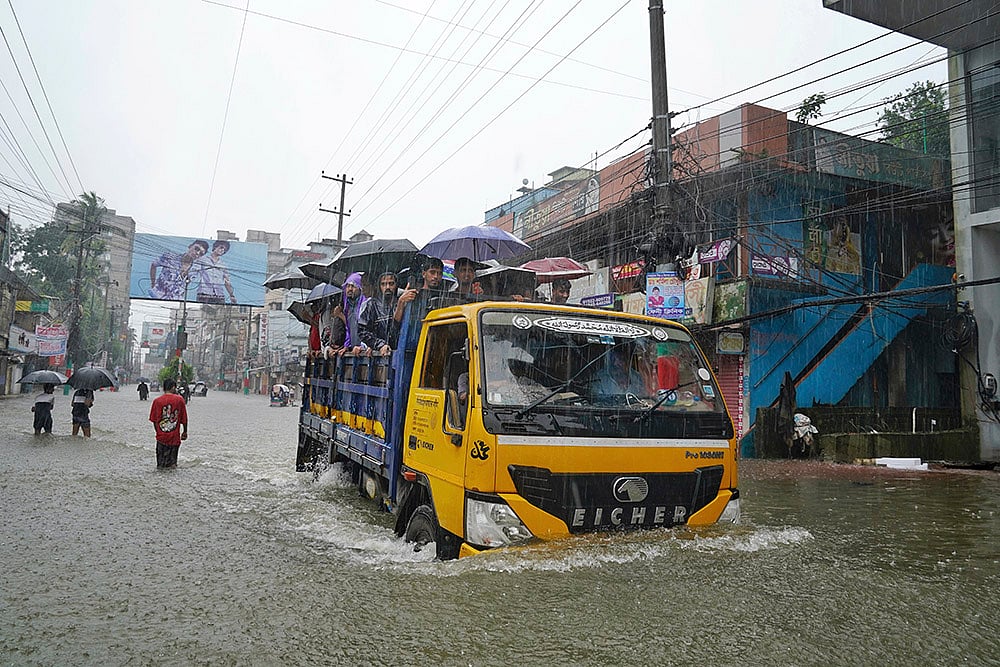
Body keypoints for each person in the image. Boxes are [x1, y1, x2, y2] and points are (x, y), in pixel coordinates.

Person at [358, 271, 405, 355]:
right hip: (381, 357)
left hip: (401, 353)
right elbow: (362, 331)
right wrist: (379, 345)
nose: (387, 287)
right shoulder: (372, 305)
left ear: (396, 285)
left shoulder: (403, 301)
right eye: (383, 284)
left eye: (391, 284)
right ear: (379, 287)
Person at [150, 377, 188, 469]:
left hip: (161, 438)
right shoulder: (180, 400)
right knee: (172, 465)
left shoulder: (157, 401)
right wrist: (185, 431)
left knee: (160, 466)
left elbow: (154, 420)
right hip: (174, 439)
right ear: (173, 387)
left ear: (163, 388)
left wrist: (158, 432)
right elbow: (184, 418)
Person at [195, 240, 237, 304]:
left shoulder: (223, 265)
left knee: (220, 313)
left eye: (224, 250)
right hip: (204, 294)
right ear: (215, 247)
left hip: (219, 295)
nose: (222, 250)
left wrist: (231, 295)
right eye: (221, 247)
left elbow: (227, 281)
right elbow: (193, 273)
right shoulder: (202, 260)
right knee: (204, 313)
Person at [340, 272, 369, 355]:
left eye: (353, 286)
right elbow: (348, 330)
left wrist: (363, 346)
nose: (349, 289)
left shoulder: (365, 304)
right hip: (354, 351)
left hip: (365, 351)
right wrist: (346, 346)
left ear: (360, 288)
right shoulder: (348, 308)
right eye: (347, 286)